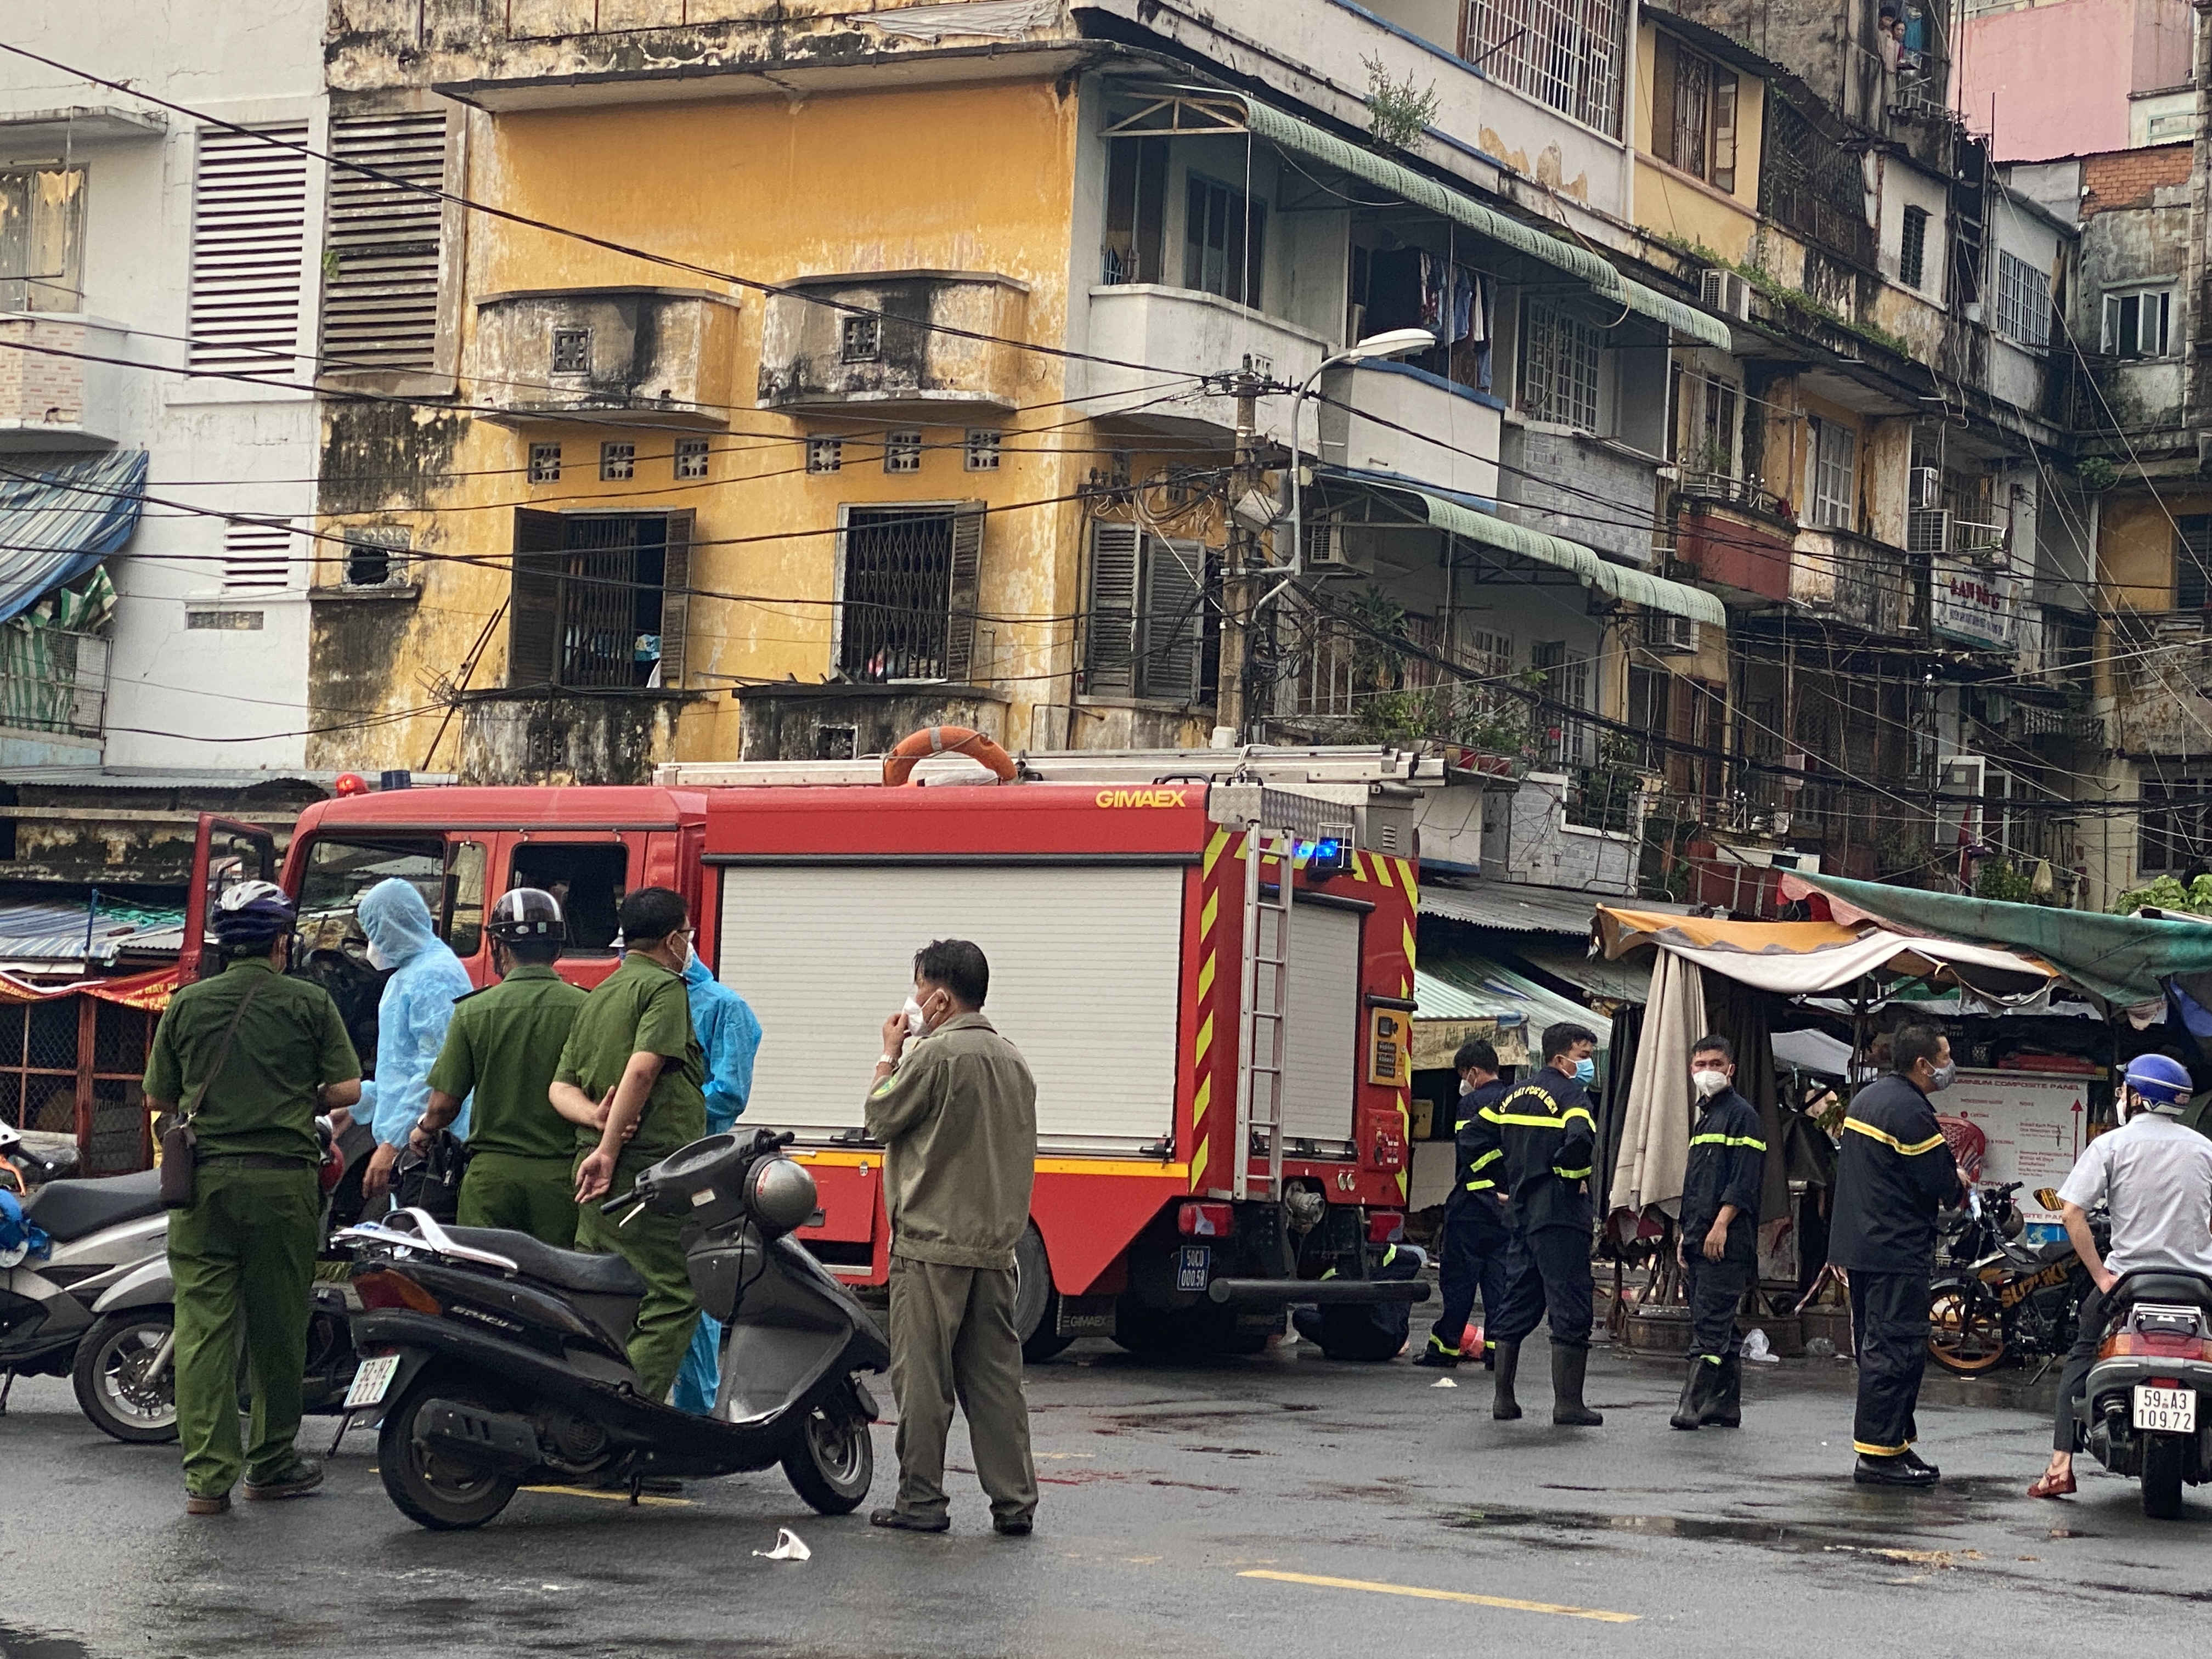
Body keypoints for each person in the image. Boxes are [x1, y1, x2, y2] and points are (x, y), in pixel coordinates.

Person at [142, 881, 362, 1515]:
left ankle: (207, 1481)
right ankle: (269, 1464)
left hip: (202, 1187)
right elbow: (347, 1089)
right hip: (281, 1187)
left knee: (202, 1330)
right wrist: (295, 1094)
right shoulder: (309, 1001)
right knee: (278, 1327)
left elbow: (158, 1097)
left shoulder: (187, 1003)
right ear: (281, 943)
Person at [864, 939, 1040, 1536]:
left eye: (919, 989)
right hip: (994, 1248)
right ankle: (1014, 1504)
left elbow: (880, 1117)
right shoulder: (1013, 1061)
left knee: (923, 1380)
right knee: (995, 1383)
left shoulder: (934, 1057)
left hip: (931, 1246)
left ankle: (921, 1501)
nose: (913, 1002)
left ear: (940, 999)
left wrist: (889, 1055)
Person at [2030, 1053, 2212, 1498]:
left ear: (2137, 1098)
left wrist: (2101, 1277)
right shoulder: (2205, 1149)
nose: (2120, 1095)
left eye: (2125, 1088)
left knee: (2082, 1352)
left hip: (2128, 1283)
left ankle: (2059, 1467)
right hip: (2199, 1287)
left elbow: (2072, 1213)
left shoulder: (2111, 1145)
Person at [554, 887, 709, 1403]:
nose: (689, 943)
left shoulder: (600, 993)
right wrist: (610, 1149)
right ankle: (629, 1415)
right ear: (672, 939)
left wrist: (597, 1124)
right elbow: (643, 1069)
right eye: (687, 934)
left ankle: (581, 1407)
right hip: (645, 1175)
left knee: (600, 1297)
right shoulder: (664, 988)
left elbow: (560, 1088)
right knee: (674, 1294)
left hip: (590, 1175)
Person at [1828, 1022, 1965, 1487]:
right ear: (1923, 1064)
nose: (1950, 1065)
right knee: (1895, 1350)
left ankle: (1894, 1444)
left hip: (1864, 1246)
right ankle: (1879, 1455)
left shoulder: (1869, 1099)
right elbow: (1940, 1180)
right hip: (1895, 1248)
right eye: (1945, 1058)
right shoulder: (1910, 1111)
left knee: (1879, 1347)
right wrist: (1959, 1182)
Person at [411, 888, 589, 1246]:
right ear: (557, 949)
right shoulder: (587, 1007)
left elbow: (444, 1105)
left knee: (483, 1277)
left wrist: (423, 1130)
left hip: (490, 1183)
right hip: (563, 1181)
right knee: (561, 1277)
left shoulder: (473, 1011)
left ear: (501, 948)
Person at [1470, 1021, 1604, 1427]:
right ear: (1561, 1058)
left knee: (1516, 1301)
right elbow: (1579, 1141)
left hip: (1522, 1214)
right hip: (1560, 1216)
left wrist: (1502, 1182)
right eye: (1584, 1056)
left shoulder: (1511, 1095)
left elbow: (1473, 1139)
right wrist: (1571, 1179)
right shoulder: (1572, 1095)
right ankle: (1568, 1404)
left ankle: (1503, 1400)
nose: (1588, 1065)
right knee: (1570, 1304)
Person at [671, 946, 765, 1415]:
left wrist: (667, 1108)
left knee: (698, 1285)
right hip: (656, 1165)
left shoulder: (724, 1007)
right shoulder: (645, 998)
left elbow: (729, 1092)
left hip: (702, 1167)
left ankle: (697, 1413)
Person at [346, 879, 472, 1205]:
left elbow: (436, 1071)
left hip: (429, 1147)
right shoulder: (413, 971)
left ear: (389, 927)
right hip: (416, 1146)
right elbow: (398, 1071)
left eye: (373, 933)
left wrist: (394, 1142)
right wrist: (352, 1107)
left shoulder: (433, 976)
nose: (371, 945)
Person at [1671, 1034, 1765, 1431]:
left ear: (1731, 1069)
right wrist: (1686, 1234)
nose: (1707, 1071)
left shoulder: (1743, 1116)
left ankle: (1689, 1406)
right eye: (1700, 1065)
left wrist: (1721, 1225)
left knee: (1710, 1327)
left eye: (1715, 1064)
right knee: (1717, 1322)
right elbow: (1697, 1184)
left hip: (1726, 1241)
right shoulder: (1706, 1117)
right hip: (1698, 1236)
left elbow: (1743, 1181)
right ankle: (1725, 1406)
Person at [1413, 1037, 1520, 1370]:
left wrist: (1486, 1192)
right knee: (1499, 1285)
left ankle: (1444, 1350)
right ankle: (1498, 1354)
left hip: (1472, 1207)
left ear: (1473, 1072)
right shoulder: (1515, 1101)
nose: (1463, 1082)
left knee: (1458, 1283)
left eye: (1463, 1075)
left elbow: (1469, 1155)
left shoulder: (1471, 1104)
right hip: (1507, 1210)